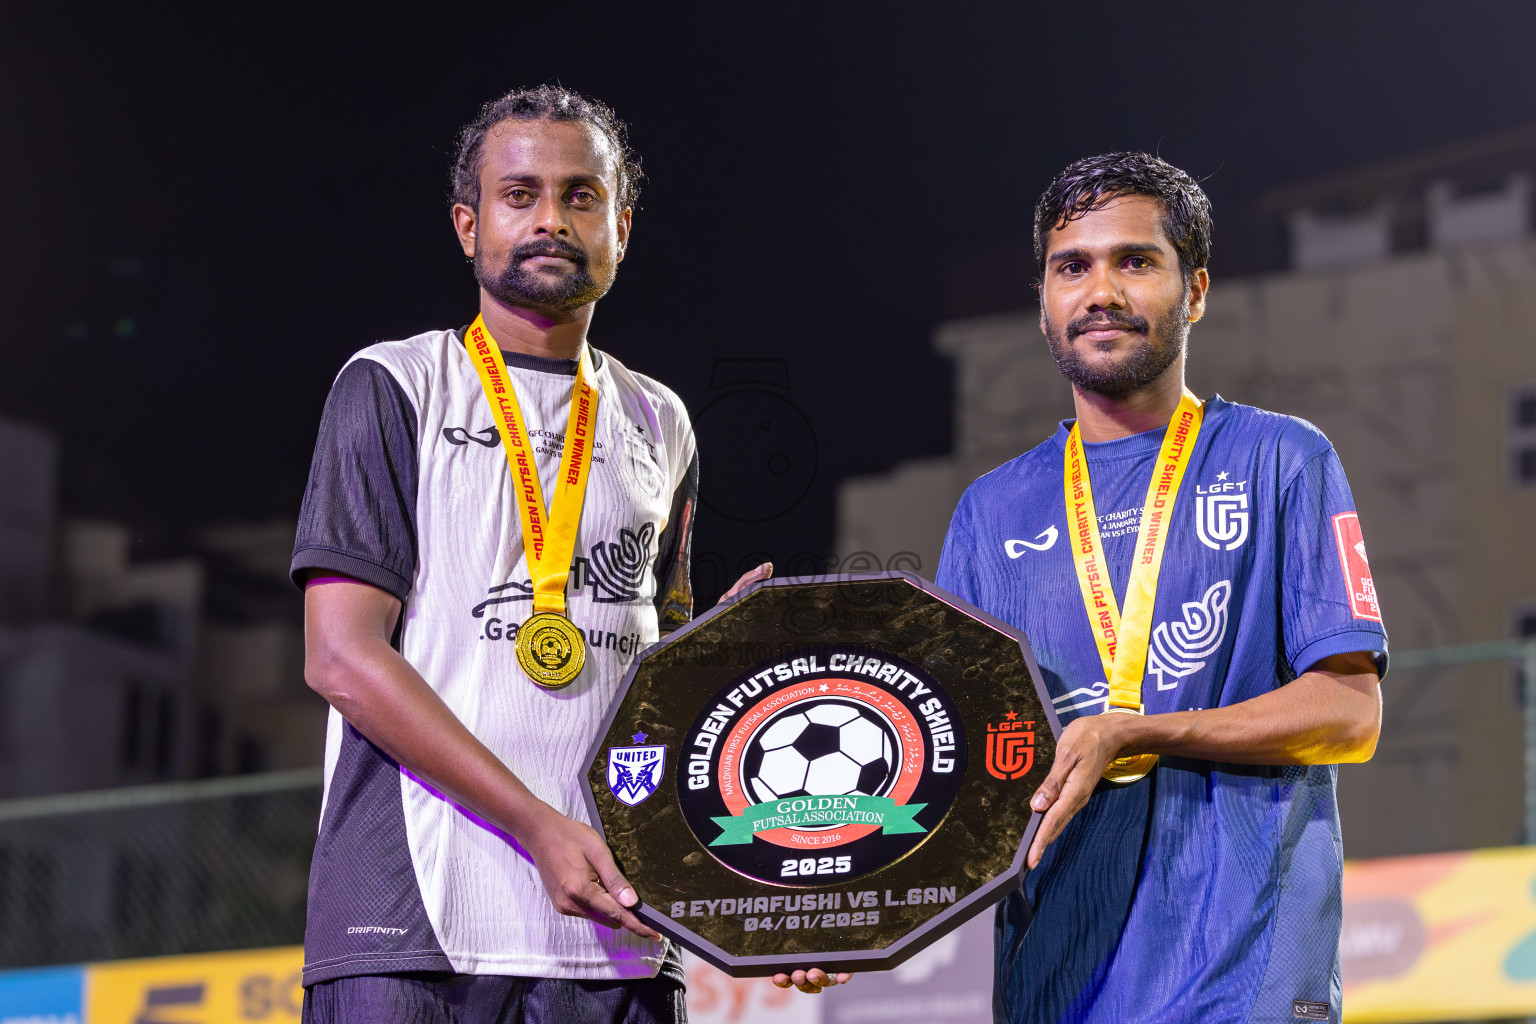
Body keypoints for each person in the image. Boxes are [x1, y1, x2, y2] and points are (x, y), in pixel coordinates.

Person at [291, 85, 843, 1024]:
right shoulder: (395, 385)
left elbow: (656, 699)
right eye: (520, 195)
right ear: (468, 225)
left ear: (622, 228)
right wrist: (537, 826)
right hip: (413, 925)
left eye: (581, 196)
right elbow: (341, 657)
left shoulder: (658, 419)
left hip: (617, 935)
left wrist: (759, 890)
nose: (552, 218)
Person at [935, 152, 1385, 1024]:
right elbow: (951, 763)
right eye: (1073, 267)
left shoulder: (1280, 459)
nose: (1100, 290)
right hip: (1057, 979)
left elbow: (1352, 713)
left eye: (1135, 261)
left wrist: (1135, 731)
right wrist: (830, 918)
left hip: (1245, 974)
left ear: (1198, 289)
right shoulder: (990, 513)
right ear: (1044, 302)